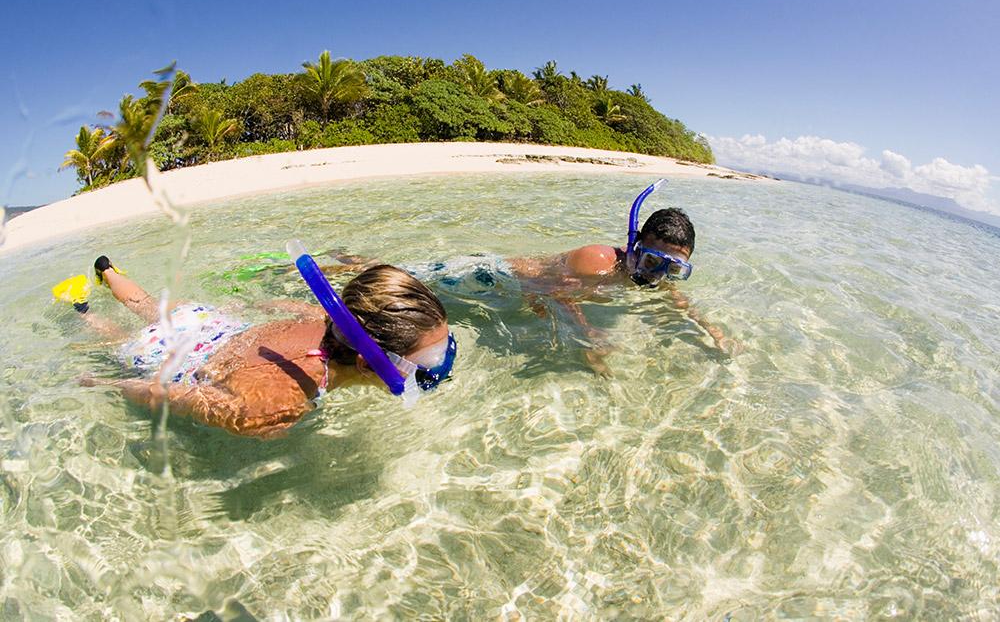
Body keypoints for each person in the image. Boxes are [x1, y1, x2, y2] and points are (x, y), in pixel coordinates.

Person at [62, 255, 456, 438]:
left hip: (208, 322)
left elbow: (280, 306)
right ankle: (80, 309)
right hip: (170, 353)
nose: (440, 367)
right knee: (116, 337)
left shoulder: (326, 319)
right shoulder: (276, 407)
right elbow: (166, 394)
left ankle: (107, 270)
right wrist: (104, 384)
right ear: (367, 363)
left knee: (149, 306)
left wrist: (257, 308)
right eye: (428, 360)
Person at [507, 180, 740, 370]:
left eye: (673, 269)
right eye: (652, 261)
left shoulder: (653, 274)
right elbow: (554, 291)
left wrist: (715, 333)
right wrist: (587, 334)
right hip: (508, 275)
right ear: (635, 246)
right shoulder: (597, 260)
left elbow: (679, 301)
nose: (657, 276)